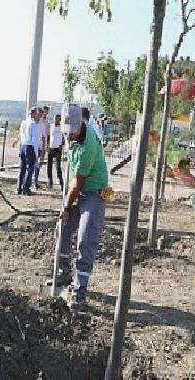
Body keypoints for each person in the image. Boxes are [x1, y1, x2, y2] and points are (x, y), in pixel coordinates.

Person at [58, 103, 108, 303]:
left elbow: (79, 181)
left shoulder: (88, 145)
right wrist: (66, 206)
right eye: (66, 132)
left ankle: (79, 290)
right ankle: (63, 274)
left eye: (72, 132)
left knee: (85, 238)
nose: (69, 136)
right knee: (62, 229)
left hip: (94, 192)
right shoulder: (69, 136)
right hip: (76, 189)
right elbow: (72, 175)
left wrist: (67, 207)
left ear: (81, 125)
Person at [16, 107, 40, 196]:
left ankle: (19, 188)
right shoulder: (33, 124)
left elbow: (21, 135)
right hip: (30, 147)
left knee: (22, 168)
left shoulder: (23, 123)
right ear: (34, 114)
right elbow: (34, 140)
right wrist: (36, 153)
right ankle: (26, 188)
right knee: (30, 168)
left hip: (22, 146)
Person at [33, 106, 49, 189]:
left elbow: (45, 137)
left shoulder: (44, 124)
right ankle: (33, 181)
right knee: (33, 165)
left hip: (40, 148)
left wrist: (44, 148)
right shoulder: (33, 123)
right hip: (34, 147)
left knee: (38, 165)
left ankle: (35, 181)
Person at [47, 113, 64, 190]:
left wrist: (62, 145)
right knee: (49, 166)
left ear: (60, 120)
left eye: (57, 119)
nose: (55, 120)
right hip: (51, 148)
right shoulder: (51, 126)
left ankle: (61, 183)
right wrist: (47, 145)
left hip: (58, 149)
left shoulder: (62, 128)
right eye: (55, 119)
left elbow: (64, 138)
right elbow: (48, 136)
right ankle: (50, 182)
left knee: (58, 167)